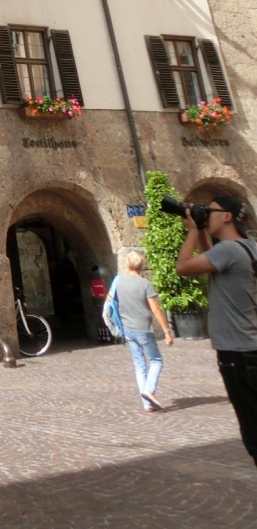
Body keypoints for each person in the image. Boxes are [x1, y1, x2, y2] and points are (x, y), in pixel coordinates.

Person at [176, 194, 257, 466]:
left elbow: (183, 267)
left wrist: (191, 231)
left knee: (253, 434)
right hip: (251, 347)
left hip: (237, 354)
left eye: (210, 212)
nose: (205, 215)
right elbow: (209, 258)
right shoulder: (249, 247)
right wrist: (201, 231)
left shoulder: (228, 251)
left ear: (227, 216)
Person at [108, 251, 173, 411]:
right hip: (143, 328)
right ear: (141, 265)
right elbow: (155, 309)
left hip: (127, 328)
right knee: (156, 360)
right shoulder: (145, 284)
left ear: (127, 264)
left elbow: (111, 302)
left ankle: (147, 404)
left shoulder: (119, 281)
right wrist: (166, 331)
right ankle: (149, 390)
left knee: (139, 365)